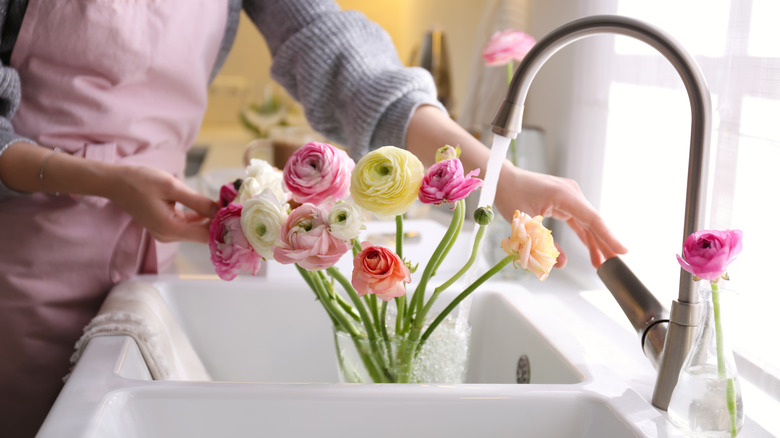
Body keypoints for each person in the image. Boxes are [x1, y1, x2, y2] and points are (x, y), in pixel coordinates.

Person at [0, 0, 626, 436]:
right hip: (23, 254)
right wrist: (103, 180)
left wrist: (501, 177)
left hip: (143, 243)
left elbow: (342, 61)